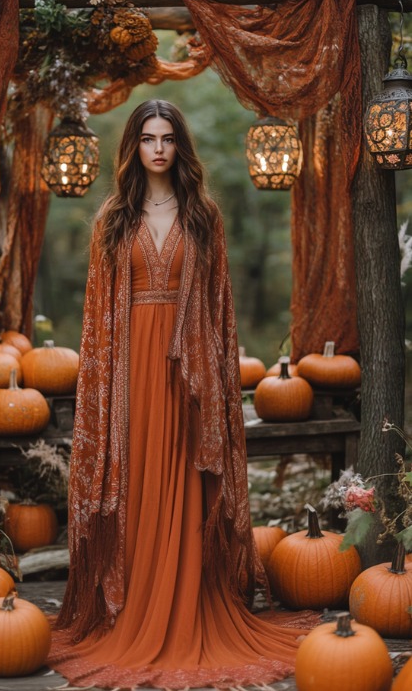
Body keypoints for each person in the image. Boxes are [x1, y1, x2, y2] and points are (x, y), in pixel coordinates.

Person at [47, 99, 312, 688]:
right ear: (134, 147)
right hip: (131, 377)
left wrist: (216, 383)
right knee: (138, 485)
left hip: (188, 375)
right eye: (148, 137)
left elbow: (220, 313)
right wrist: (104, 391)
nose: (159, 147)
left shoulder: (203, 216)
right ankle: (139, 607)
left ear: (180, 145)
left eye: (168, 137)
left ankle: (190, 605)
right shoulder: (112, 219)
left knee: (188, 487)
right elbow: (96, 323)